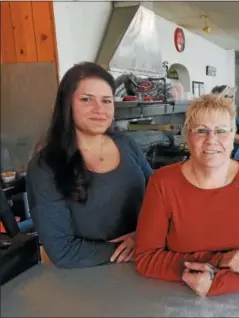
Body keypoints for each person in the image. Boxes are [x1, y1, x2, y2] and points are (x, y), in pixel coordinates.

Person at [134, 94, 239, 297]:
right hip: (174, 296)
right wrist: (218, 261)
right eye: (201, 131)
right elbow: (146, 257)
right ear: (188, 136)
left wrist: (218, 282)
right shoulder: (162, 182)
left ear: (234, 137)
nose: (211, 140)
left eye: (221, 131)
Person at [26, 62, 153, 268]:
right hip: (88, 277)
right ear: (67, 104)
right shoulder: (45, 167)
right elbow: (62, 251)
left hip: (144, 263)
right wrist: (133, 246)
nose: (99, 110)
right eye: (86, 100)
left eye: (106, 101)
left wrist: (143, 237)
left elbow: (158, 195)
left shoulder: (126, 144)